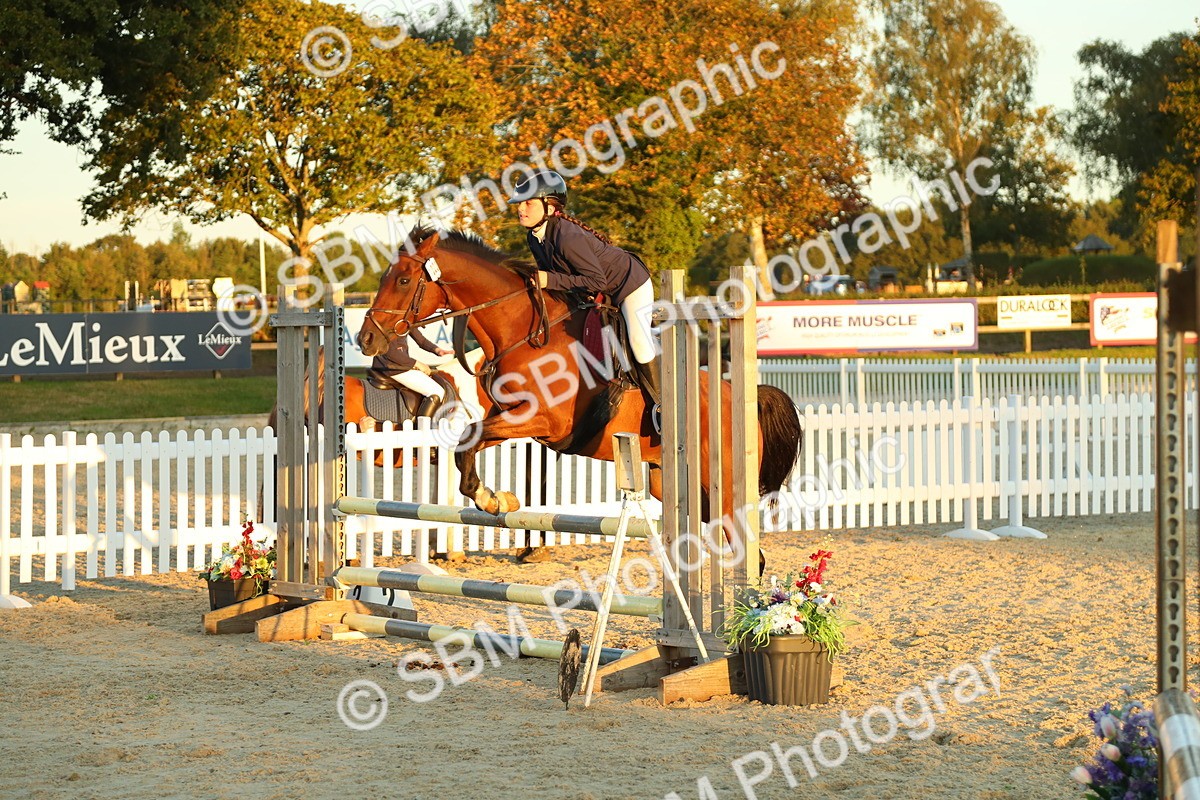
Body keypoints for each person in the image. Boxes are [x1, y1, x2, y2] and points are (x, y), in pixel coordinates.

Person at [507, 169, 661, 412]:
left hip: (628, 284)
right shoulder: (534, 238)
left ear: (549, 206)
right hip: (597, 292)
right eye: (519, 203)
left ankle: (662, 404)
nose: (520, 208)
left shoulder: (567, 237)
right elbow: (564, 281)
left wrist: (549, 281)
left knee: (639, 342)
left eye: (528, 202)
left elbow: (594, 281)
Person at [370, 327, 453, 417]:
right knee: (436, 391)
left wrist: (437, 350)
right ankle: (422, 427)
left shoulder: (406, 320)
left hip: (400, 366)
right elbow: (391, 353)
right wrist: (416, 364)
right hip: (392, 368)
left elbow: (421, 340)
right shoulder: (392, 320)